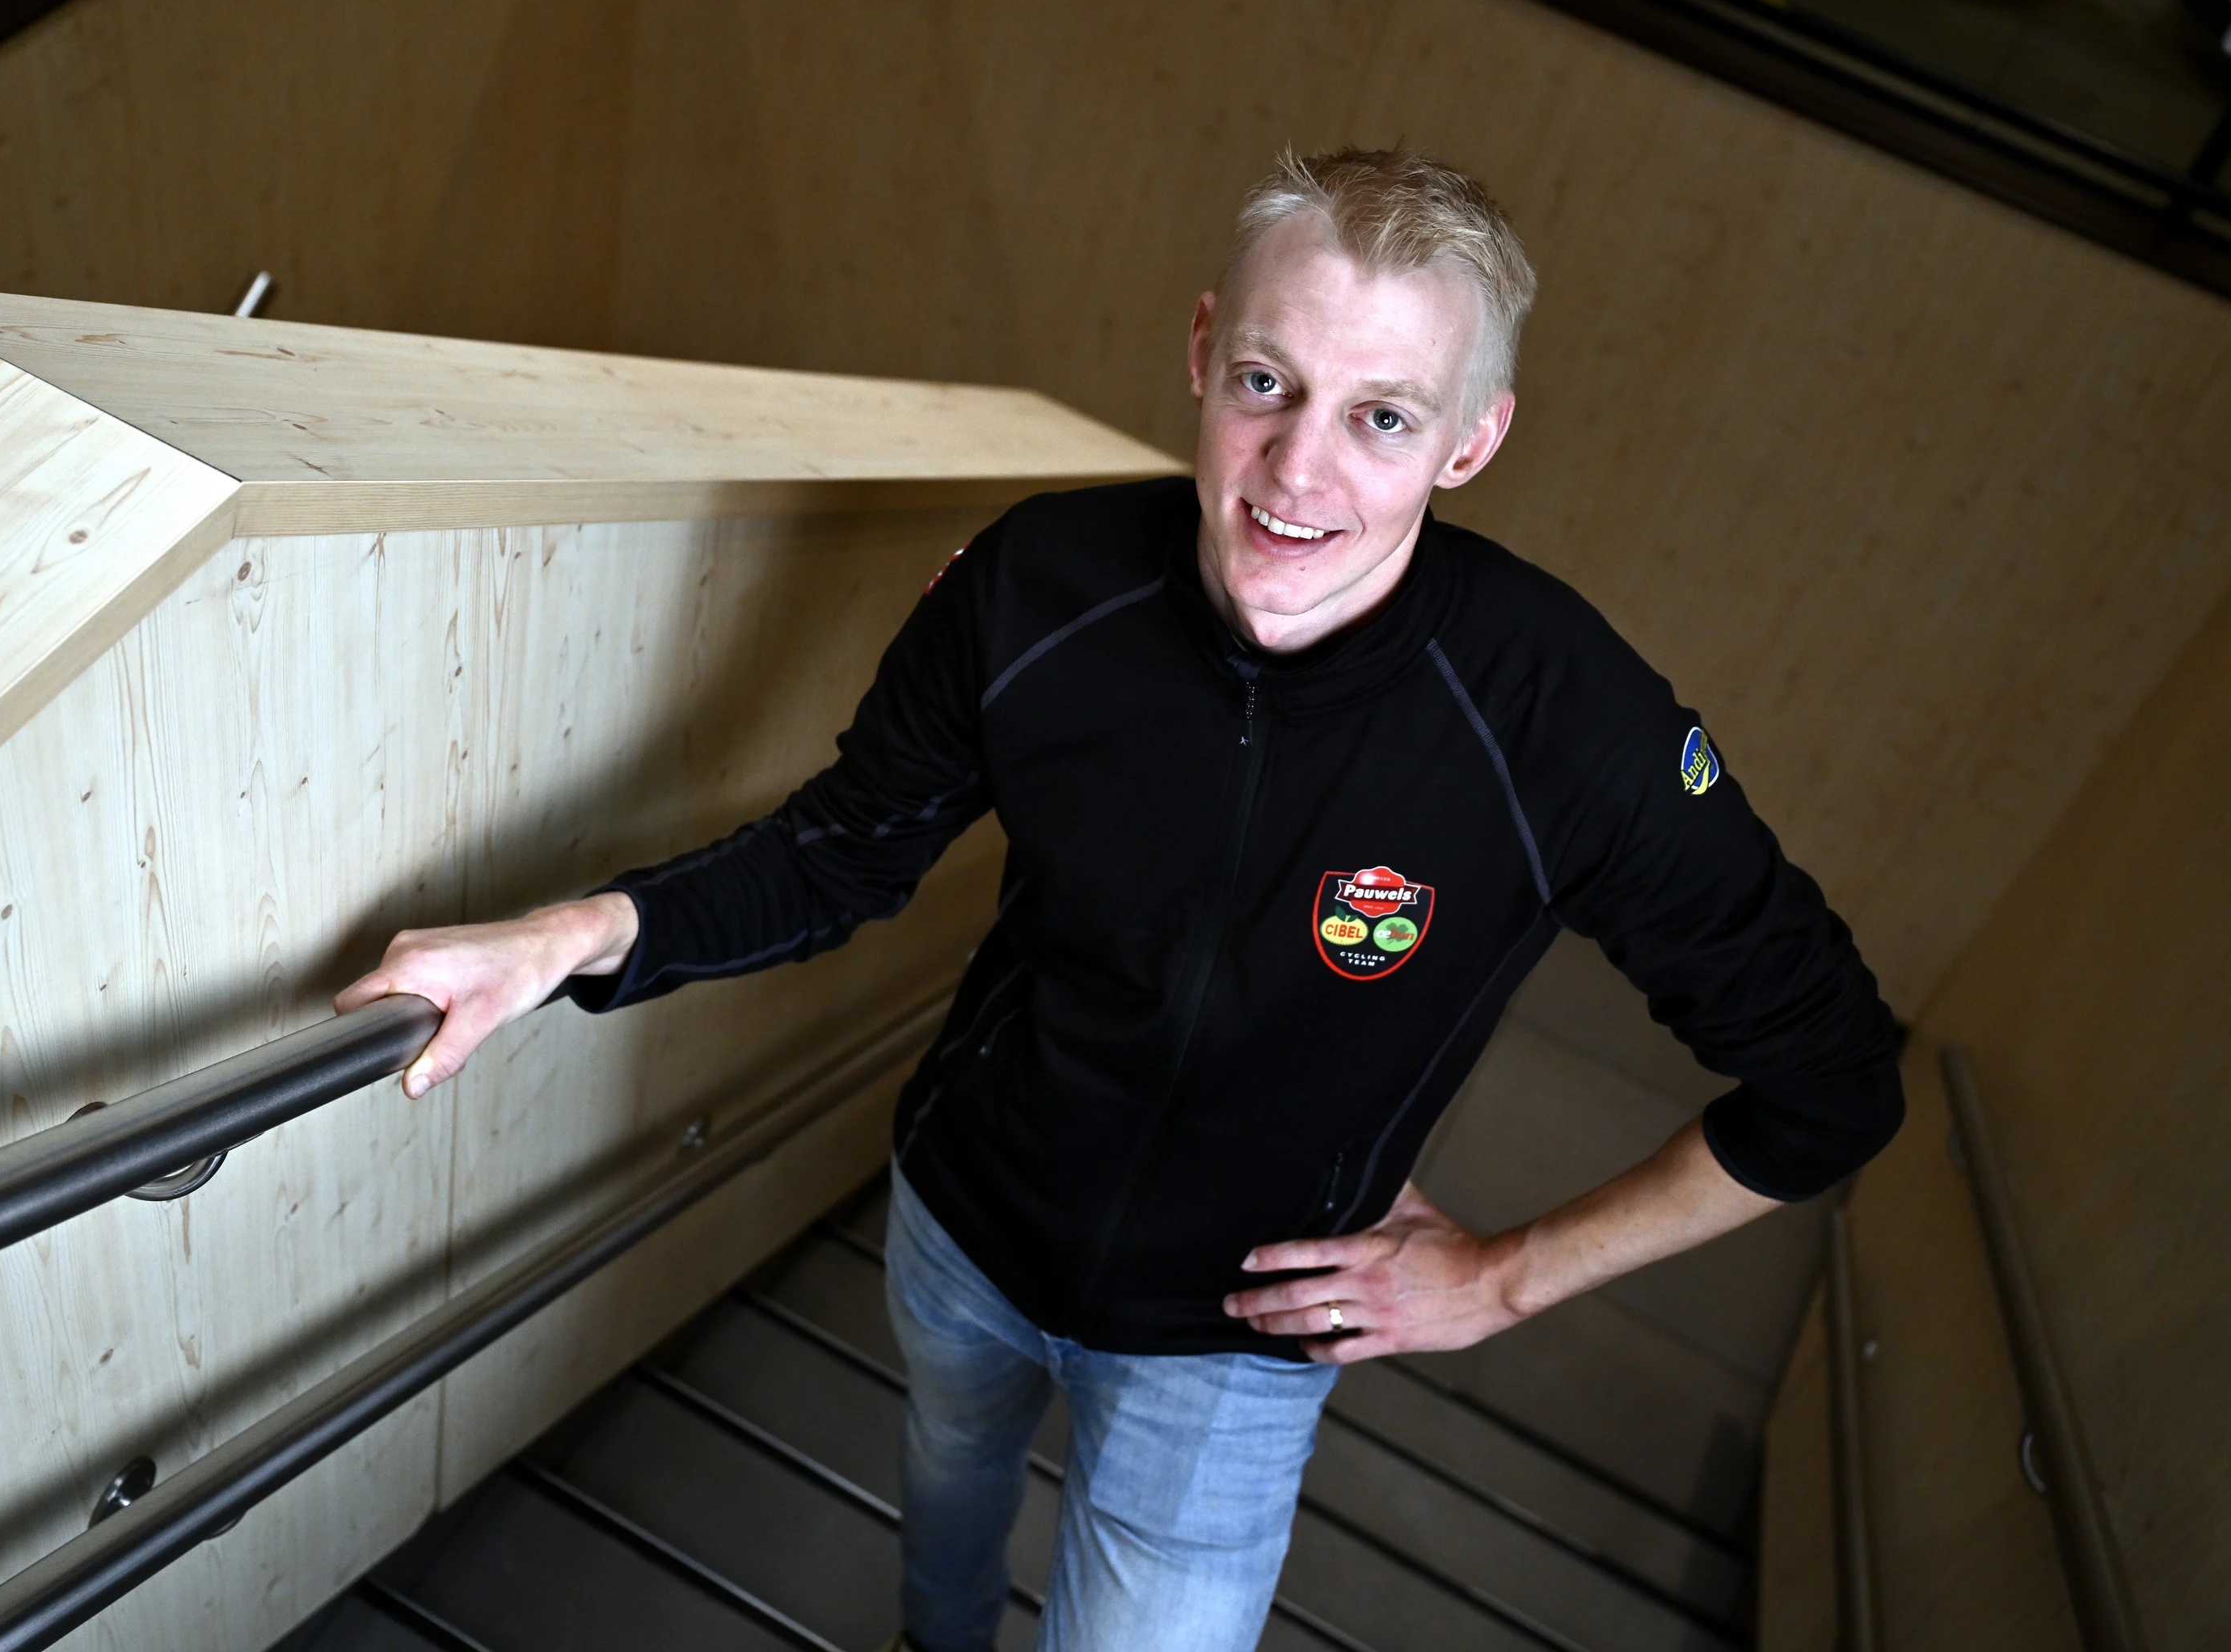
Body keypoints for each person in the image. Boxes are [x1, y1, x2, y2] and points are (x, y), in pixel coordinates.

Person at [337, 146, 1903, 1652]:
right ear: (1205, 347)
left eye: (1381, 417)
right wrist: (560, 940)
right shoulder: (1042, 586)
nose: (1299, 471)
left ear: (1471, 443)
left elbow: (1829, 1084)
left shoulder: (1569, 724)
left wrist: (1506, 1276)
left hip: (1236, 1342)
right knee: (949, 1493)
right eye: (1268, 384)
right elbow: (843, 850)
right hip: (964, 1218)